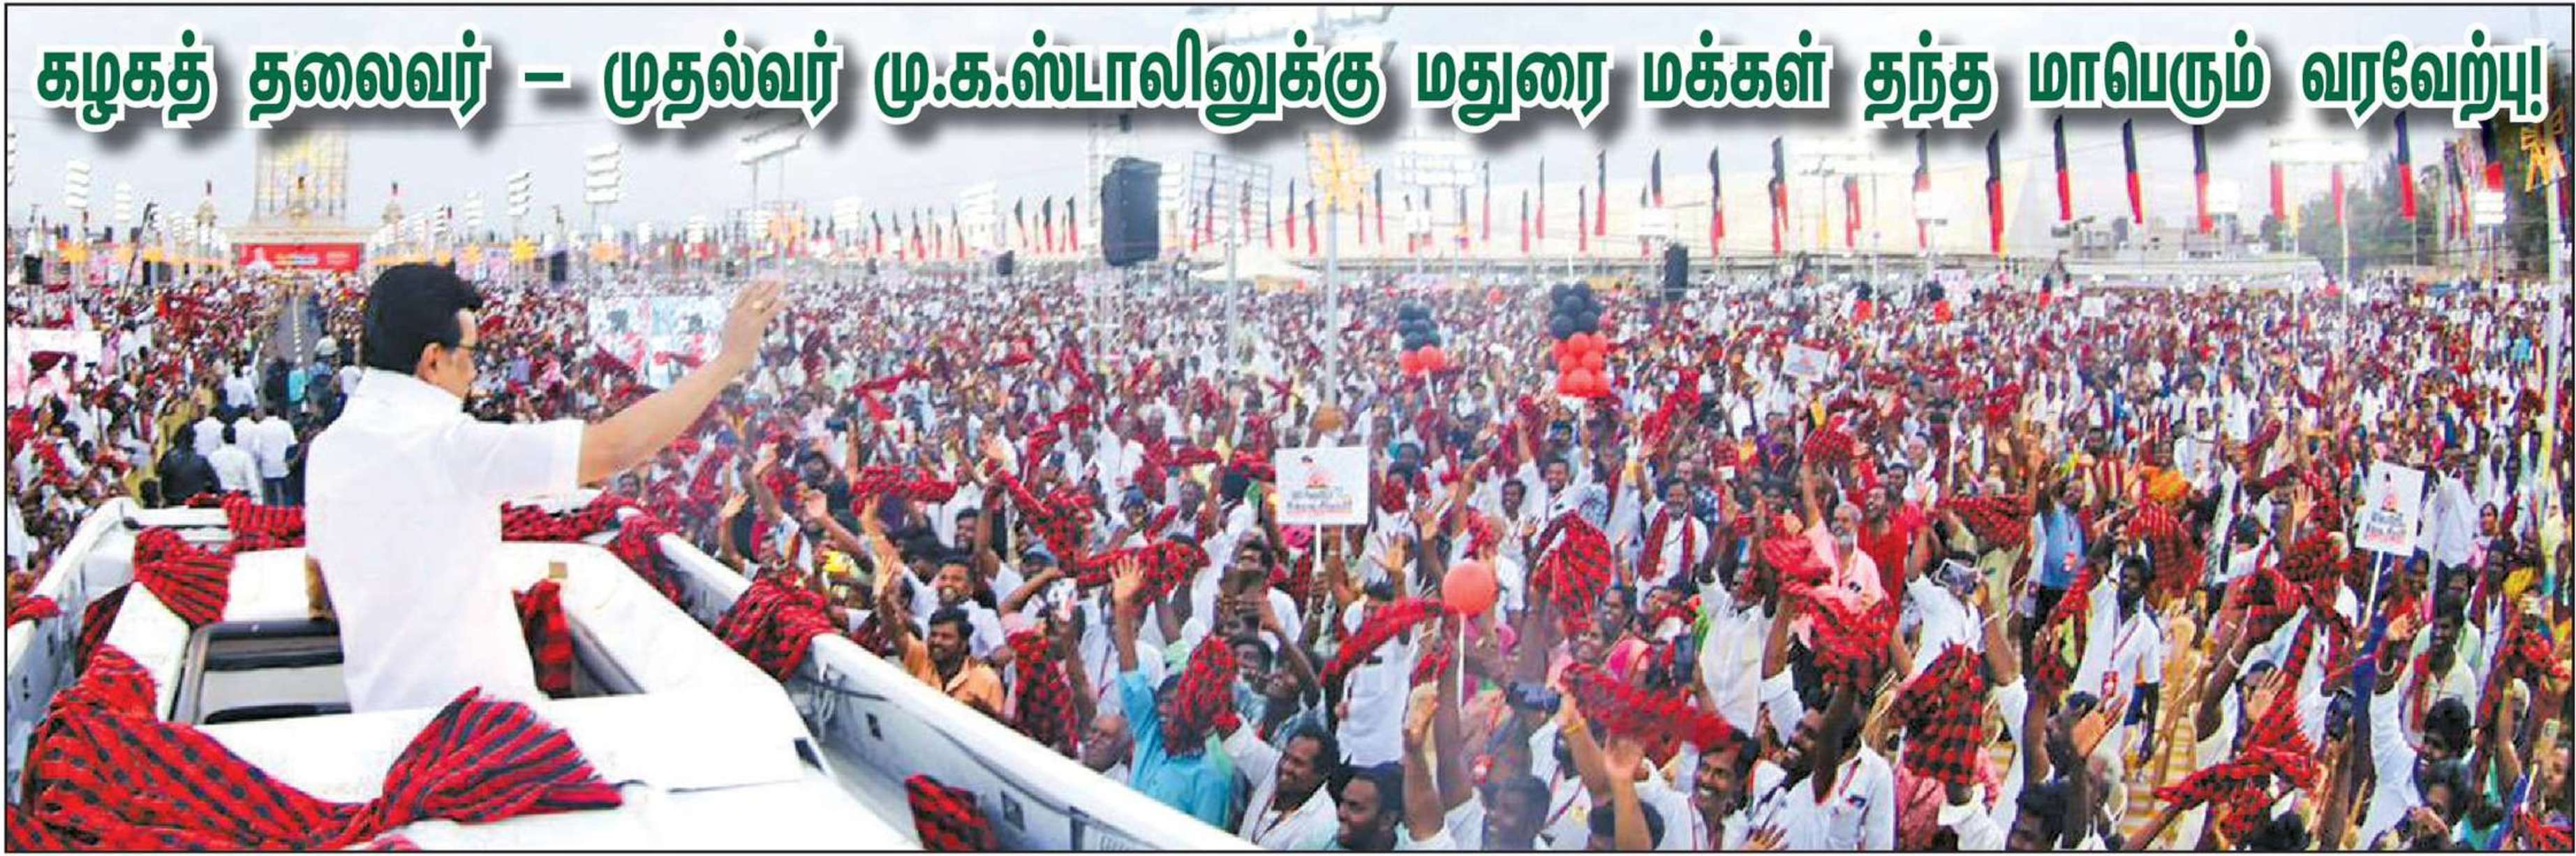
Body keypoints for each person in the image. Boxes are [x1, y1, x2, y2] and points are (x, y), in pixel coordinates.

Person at [306, 265, 784, 713]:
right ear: (433, 360)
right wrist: (728, 362)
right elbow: (614, 448)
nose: (474, 373)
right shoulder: (450, 447)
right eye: (471, 354)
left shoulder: (330, 449)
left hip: (383, 716)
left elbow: (323, 586)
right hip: (482, 730)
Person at [207, 423, 260, 496]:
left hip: (222, 494)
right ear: (236, 438)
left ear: (222, 438)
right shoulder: (244, 456)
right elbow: (251, 479)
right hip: (241, 495)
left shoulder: (213, 457)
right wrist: (256, 496)